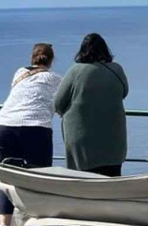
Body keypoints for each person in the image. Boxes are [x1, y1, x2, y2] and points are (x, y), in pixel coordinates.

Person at [0, 42, 61, 226]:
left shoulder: (19, 73)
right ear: (52, 60)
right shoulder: (54, 78)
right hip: (36, 128)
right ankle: (38, 224)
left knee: (7, 175)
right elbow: (61, 101)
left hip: (4, 125)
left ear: (32, 58)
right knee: (40, 177)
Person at [54, 33, 129, 176]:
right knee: (111, 182)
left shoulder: (76, 71)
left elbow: (58, 103)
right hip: (113, 139)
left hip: (83, 143)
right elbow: (124, 92)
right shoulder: (116, 69)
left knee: (84, 183)